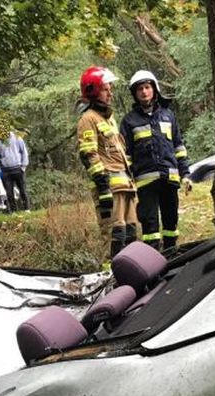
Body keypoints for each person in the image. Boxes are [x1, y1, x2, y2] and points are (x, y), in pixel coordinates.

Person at [120, 70, 191, 252]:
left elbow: (178, 147)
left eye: (147, 87)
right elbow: (125, 155)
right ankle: (154, 264)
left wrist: (185, 174)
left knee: (170, 225)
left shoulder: (168, 115)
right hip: (146, 184)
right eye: (140, 89)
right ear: (135, 94)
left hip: (170, 179)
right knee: (150, 227)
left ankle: (172, 257)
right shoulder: (129, 121)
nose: (144, 92)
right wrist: (128, 181)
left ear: (154, 89)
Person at [77, 66, 138, 259]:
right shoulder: (88, 119)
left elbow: (119, 151)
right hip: (110, 188)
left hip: (126, 185)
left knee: (131, 234)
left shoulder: (108, 118)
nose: (110, 91)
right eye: (105, 88)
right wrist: (103, 186)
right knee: (115, 235)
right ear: (94, 91)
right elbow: (88, 154)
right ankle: (111, 277)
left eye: (110, 87)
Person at [0, 130, 30, 211]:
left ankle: (27, 209)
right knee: (9, 193)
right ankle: (14, 211)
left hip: (18, 168)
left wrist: (23, 166)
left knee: (22, 190)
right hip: (6, 171)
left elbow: (24, 152)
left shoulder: (17, 138)